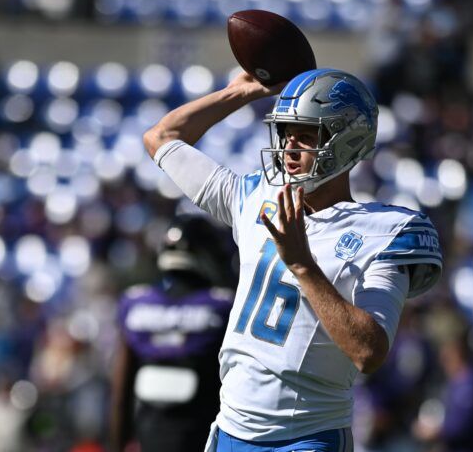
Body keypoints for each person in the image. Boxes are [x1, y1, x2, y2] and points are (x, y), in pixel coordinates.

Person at [143, 68, 443, 451]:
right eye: (286, 134)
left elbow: (368, 352)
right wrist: (242, 93)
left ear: (346, 139)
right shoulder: (254, 198)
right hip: (230, 430)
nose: (289, 150)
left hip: (304, 438)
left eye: (306, 136)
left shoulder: (384, 232)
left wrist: (302, 265)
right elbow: (162, 138)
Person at [109, 215, 235, 452]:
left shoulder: (136, 304)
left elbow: (120, 395)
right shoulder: (224, 307)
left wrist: (117, 445)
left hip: (150, 438)